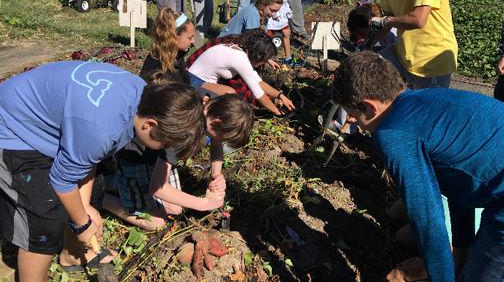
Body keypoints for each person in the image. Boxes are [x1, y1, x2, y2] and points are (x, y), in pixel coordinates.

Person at [332, 51, 504, 282]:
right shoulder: (428, 100)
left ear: (368, 106)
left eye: (350, 113)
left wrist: (438, 276)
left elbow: (427, 219)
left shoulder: (392, 133)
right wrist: (459, 258)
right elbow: (460, 187)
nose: (351, 120)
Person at [0, 61, 204, 280]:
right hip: (13, 128)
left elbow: (89, 159)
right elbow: (62, 180)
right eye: (164, 144)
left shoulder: (140, 95)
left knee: (93, 191)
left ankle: (72, 256)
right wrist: (82, 223)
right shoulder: (102, 130)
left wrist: (85, 206)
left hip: (45, 121)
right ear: (150, 125)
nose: (163, 149)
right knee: (45, 220)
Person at [101, 94, 254, 231]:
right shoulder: (184, 133)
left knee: (175, 208)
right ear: (217, 121)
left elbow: (216, 142)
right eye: (223, 138)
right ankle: (100, 196)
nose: (221, 142)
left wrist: (216, 174)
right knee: (156, 222)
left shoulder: (212, 102)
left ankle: (119, 186)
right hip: (132, 155)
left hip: (157, 155)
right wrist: (204, 204)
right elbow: (158, 188)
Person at [187, 29, 295, 116]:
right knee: (231, 96)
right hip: (193, 81)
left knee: (230, 93)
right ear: (257, 55)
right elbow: (258, 93)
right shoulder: (240, 59)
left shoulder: (239, 51)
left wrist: (281, 96)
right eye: (264, 60)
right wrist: (277, 112)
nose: (263, 63)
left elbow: (258, 82)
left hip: (197, 79)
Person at [140, 8, 195, 84]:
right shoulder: (158, 67)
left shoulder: (177, 57)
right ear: (174, 37)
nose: (193, 41)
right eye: (190, 38)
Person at [219, 0, 283, 37]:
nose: (273, 14)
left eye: (276, 11)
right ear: (263, 5)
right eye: (272, 10)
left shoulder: (264, 15)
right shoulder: (252, 13)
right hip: (225, 44)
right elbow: (253, 39)